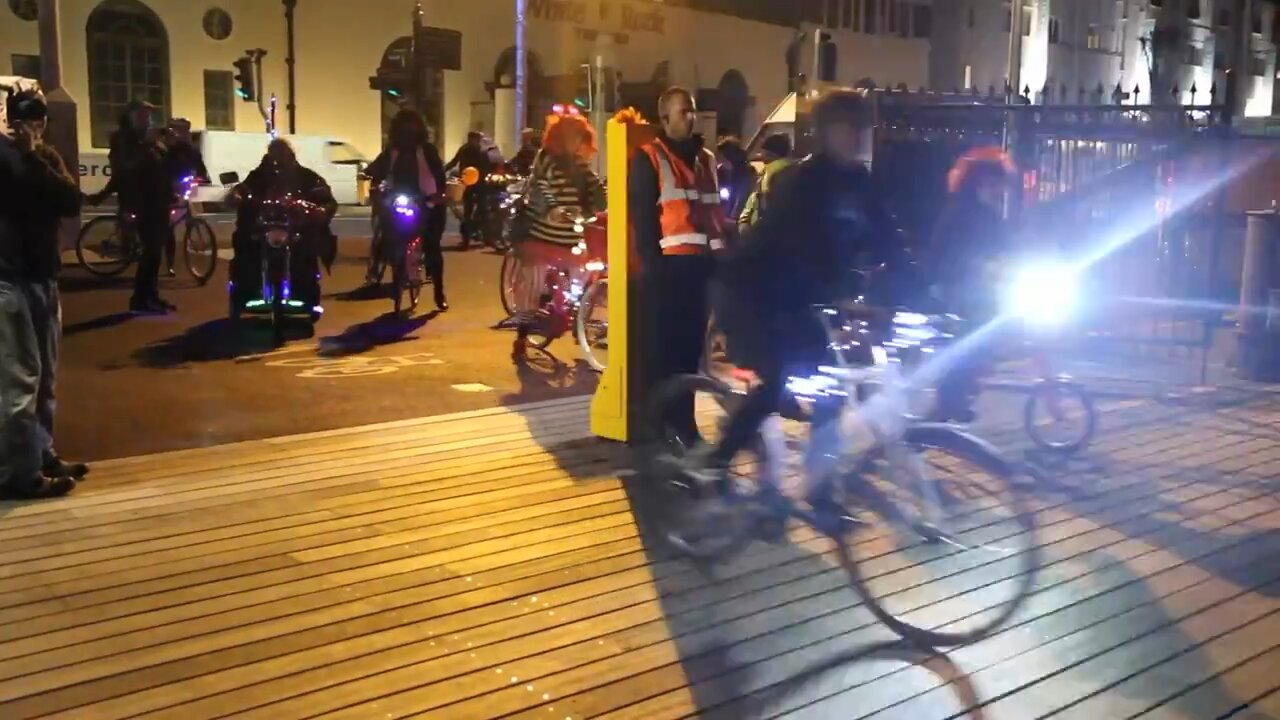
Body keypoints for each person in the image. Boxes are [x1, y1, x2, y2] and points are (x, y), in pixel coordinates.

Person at [678, 88, 907, 529]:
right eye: (849, 127)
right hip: (754, 295)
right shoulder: (802, 183)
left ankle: (821, 496)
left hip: (808, 302)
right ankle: (714, 461)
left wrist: (920, 290)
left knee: (829, 394)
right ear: (826, 132)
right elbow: (785, 249)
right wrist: (831, 295)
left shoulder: (859, 183)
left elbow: (889, 243)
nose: (859, 136)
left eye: (864, 127)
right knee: (776, 379)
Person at [0, 87, 87, 498]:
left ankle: (42, 453)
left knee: (46, 377)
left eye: (37, 119)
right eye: (21, 118)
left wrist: (34, 155)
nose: (29, 127)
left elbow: (70, 200)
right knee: (20, 380)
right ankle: (19, 474)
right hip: (8, 279)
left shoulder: (44, 157)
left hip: (42, 277)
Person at [629, 86, 727, 445]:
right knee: (664, 353)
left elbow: (714, 214)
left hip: (699, 270)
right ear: (665, 118)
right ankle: (659, 428)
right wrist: (653, 274)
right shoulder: (648, 158)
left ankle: (683, 423)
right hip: (669, 272)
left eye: (693, 110)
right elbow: (643, 221)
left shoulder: (705, 158)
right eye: (684, 111)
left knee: (690, 353)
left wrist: (721, 262)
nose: (691, 117)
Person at [928, 146, 1017, 422]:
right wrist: (977, 266)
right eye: (997, 182)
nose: (1001, 189)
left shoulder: (989, 214)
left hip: (982, 290)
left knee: (979, 345)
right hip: (960, 291)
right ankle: (949, 400)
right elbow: (944, 254)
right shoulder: (959, 212)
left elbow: (1006, 247)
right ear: (983, 182)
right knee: (964, 346)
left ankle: (958, 396)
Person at [509, 110, 605, 361]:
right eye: (572, 136)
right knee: (532, 286)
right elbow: (539, 185)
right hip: (541, 237)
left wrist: (603, 203)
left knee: (586, 273)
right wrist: (553, 208)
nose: (576, 142)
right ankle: (521, 338)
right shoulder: (546, 158)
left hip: (569, 238)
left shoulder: (579, 164)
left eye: (579, 137)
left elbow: (594, 186)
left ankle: (577, 317)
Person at [226, 138, 337, 312]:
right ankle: (245, 292)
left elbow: (323, 195)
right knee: (245, 247)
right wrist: (237, 195)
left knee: (307, 250)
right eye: (274, 155)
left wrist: (319, 208)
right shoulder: (259, 175)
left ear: (291, 155)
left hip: (295, 226)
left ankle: (307, 294)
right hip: (264, 225)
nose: (278, 160)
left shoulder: (306, 176)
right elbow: (244, 188)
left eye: (282, 154)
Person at [365, 109, 449, 311]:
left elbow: (439, 176)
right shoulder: (392, 151)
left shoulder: (427, 150)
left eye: (411, 127)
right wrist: (373, 184)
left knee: (432, 246)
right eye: (403, 128)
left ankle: (439, 291)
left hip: (426, 201)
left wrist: (439, 195)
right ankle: (392, 277)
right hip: (398, 199)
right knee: (389, 236)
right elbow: (377, 170)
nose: (407, 133)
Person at [103, 100, 175, 314]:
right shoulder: (123, 139)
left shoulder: (149, 140)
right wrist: (147, 145)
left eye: (149, 115)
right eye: (143, 115)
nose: (147, 119)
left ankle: (151, 296)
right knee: (149, 252)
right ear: (132, 116)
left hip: (158, 203)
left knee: (155, 254)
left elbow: (164, 165)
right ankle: (139, 300)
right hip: (140, 203)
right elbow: (125, 168)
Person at [159, 118, 209, 277]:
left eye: (183, 130)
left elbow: (200, 168)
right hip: (170, 189)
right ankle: (170, 263)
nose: (181, 134)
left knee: (190, 216)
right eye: (177, 130)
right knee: (169, 226)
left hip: (187, 188)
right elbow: (164, 169)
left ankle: (190, 237)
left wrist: (203, 177)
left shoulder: (192, 151)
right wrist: (170, 182)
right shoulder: (170, 151)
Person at [445, 131, 495, 244]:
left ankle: (478, 237)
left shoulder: (475, 151)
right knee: (473, 211)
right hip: (473, 185)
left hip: (475, 185)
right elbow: (454, 162)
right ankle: (473, 238)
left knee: (478, 210)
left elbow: (454, 163)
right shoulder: (471, 150)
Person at [737, 133, 793, 231]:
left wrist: (745, 223)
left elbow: (761, 203)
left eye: (762, 151)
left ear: (770, 153)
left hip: (764, 230)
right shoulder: (786, 170)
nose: (760, 154)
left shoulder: (773, 172)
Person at [715, 136, 755, 238]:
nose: (720, 161)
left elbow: (742, 198)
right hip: (723, 219)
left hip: (740, 221)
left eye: (722, 157)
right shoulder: (720, 172)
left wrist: (732, 219)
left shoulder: (747, 172)